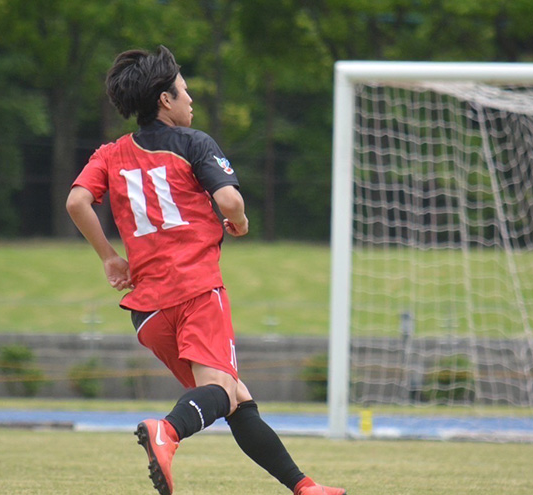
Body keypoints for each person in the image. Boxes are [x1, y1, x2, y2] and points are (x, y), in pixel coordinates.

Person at [65, 45, 346, 495]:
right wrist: (240, 222)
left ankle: (305, 487)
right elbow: (230, 201)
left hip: (148, 312)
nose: (190, 98)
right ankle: (168, 432)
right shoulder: (195, 143)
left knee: (234, 398)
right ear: (164, 100)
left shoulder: (110, 154)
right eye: (184, 89)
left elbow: (77, 201)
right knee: (220, 391)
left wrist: (109, 257)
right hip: (195, 291)